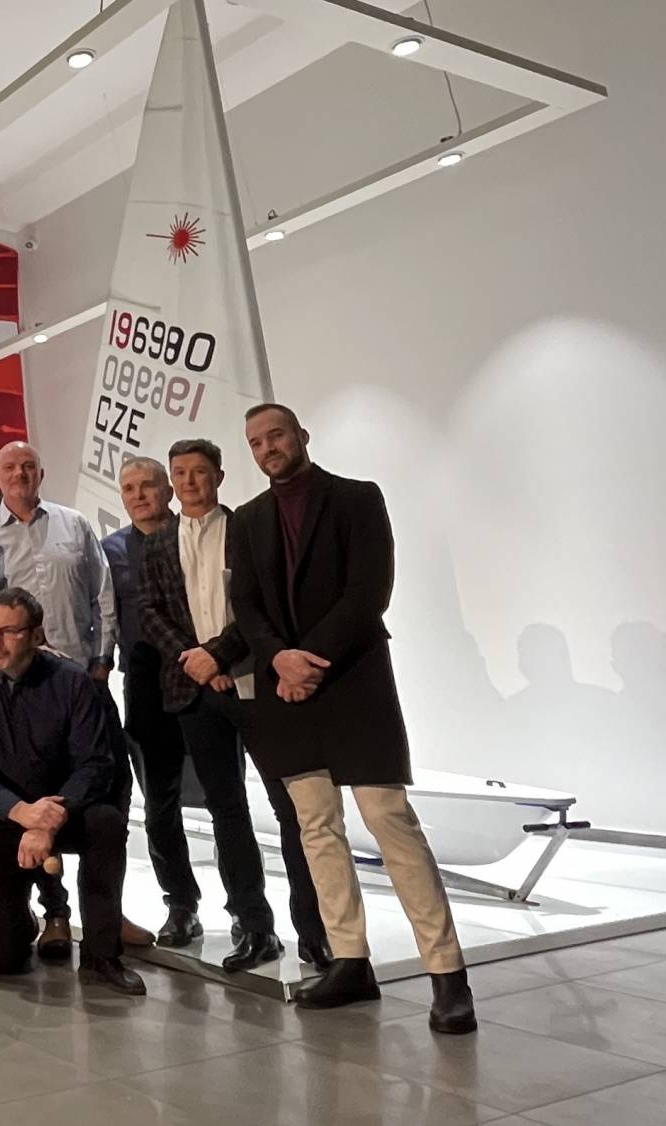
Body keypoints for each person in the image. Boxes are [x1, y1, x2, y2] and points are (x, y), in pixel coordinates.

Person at [228, 403, 475, 1034]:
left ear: (301, 436)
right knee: (316, 827)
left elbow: (369, 592)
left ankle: (447, 973)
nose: (267, 448)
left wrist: (308, 660)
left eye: (276, 435)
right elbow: (246, 606)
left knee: (390, 820)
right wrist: (279, 658)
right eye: (256, 442)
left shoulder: (358, 498)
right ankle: (349, 961)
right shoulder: (248, 519)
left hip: (353, 682)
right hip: (286, 690)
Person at [0, 440, 152, 957]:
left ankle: (107, 914)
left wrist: (102, 659)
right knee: (35, 791)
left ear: (41, 473)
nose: (20, 474)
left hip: (82, 681)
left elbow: (102, 593)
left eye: (28, 466)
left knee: (110, 796)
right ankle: (55, 913)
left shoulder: (74, 525)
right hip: (18, 687)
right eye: (10, 467)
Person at [136, 444, 325, 972]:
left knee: (289, 809)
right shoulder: (157, 542)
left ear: (218, 476)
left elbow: (267, 606)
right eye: (179, 473)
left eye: (199, 471)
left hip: (260, 685)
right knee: (226, 810)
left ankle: (315, 932)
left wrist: (218, 654)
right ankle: (254, 926)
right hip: (196, 693)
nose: (189, 481)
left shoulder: (249, 528)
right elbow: (150, 611)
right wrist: (196, 661)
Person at [0, 589, 145, 995]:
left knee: (106, 823)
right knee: (2, 958)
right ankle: (32, 917)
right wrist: (19, 811)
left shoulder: (70, 680)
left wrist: (47, 820)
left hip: (61, 808)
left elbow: (96, 763)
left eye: (8, 632)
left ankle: (102, 955)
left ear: (36, 636)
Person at [100, 457, 200, 946]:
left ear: (168, 490)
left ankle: (250, 915)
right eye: (129, 488)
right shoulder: (110, 551)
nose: (138, 495)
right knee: (160, 805)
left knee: (226, 800)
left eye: (147, 485)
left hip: (203, 678)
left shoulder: (195, 536)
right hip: (145, 686)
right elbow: (103, 615)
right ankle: (181, 904)